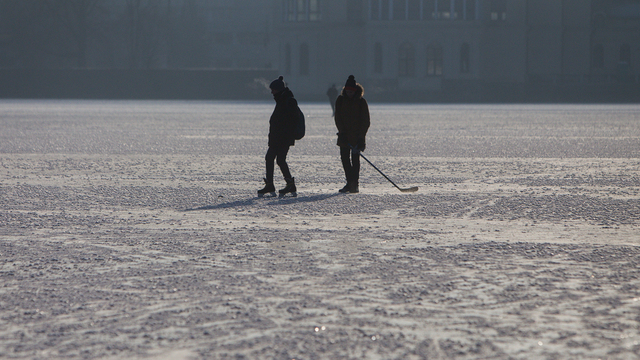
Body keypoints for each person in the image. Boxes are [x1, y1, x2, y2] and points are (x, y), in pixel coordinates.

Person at [258, 76, 298, 197]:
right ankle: (283, 184)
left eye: (273, 89)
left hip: (282, 138)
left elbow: (290, 120)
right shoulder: (282, 99)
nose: (272, 92)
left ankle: (282, 184)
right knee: (275, 159)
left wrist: (283, 134)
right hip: (278, 137)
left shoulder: (288, 100)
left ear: (279, 90)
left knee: (275, 159)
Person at [334, 75, 370, 194]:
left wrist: (361, 138)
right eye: (347, 91)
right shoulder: (340, 100)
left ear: (355, 91)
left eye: (351, 92)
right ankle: (350, 182)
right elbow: (338, 118)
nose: (349, 93)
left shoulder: (361, 102)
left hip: (357, 136)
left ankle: (355, 184)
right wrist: (342, 132)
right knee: (345, 159)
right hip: (344, 136)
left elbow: (365, 121)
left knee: (355, 160)